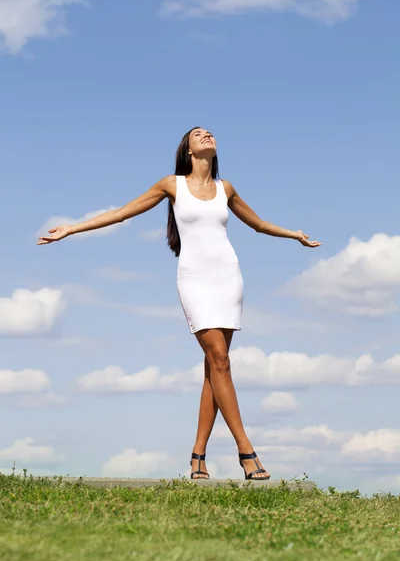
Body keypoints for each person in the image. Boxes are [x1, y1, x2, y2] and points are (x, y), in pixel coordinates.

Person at [37, 127, 321, 481]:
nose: (207, 136)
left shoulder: (225, 189)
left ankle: (198, 456)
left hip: (228, 278)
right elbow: (124, 213)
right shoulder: (172, 185)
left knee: (214, 368)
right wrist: (73, 228)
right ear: (188, 150)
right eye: (198, 134)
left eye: (210, 133)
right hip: (195, 279)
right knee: (220, 360)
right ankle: (246, 451)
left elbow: (259, 224)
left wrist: (294, 235)